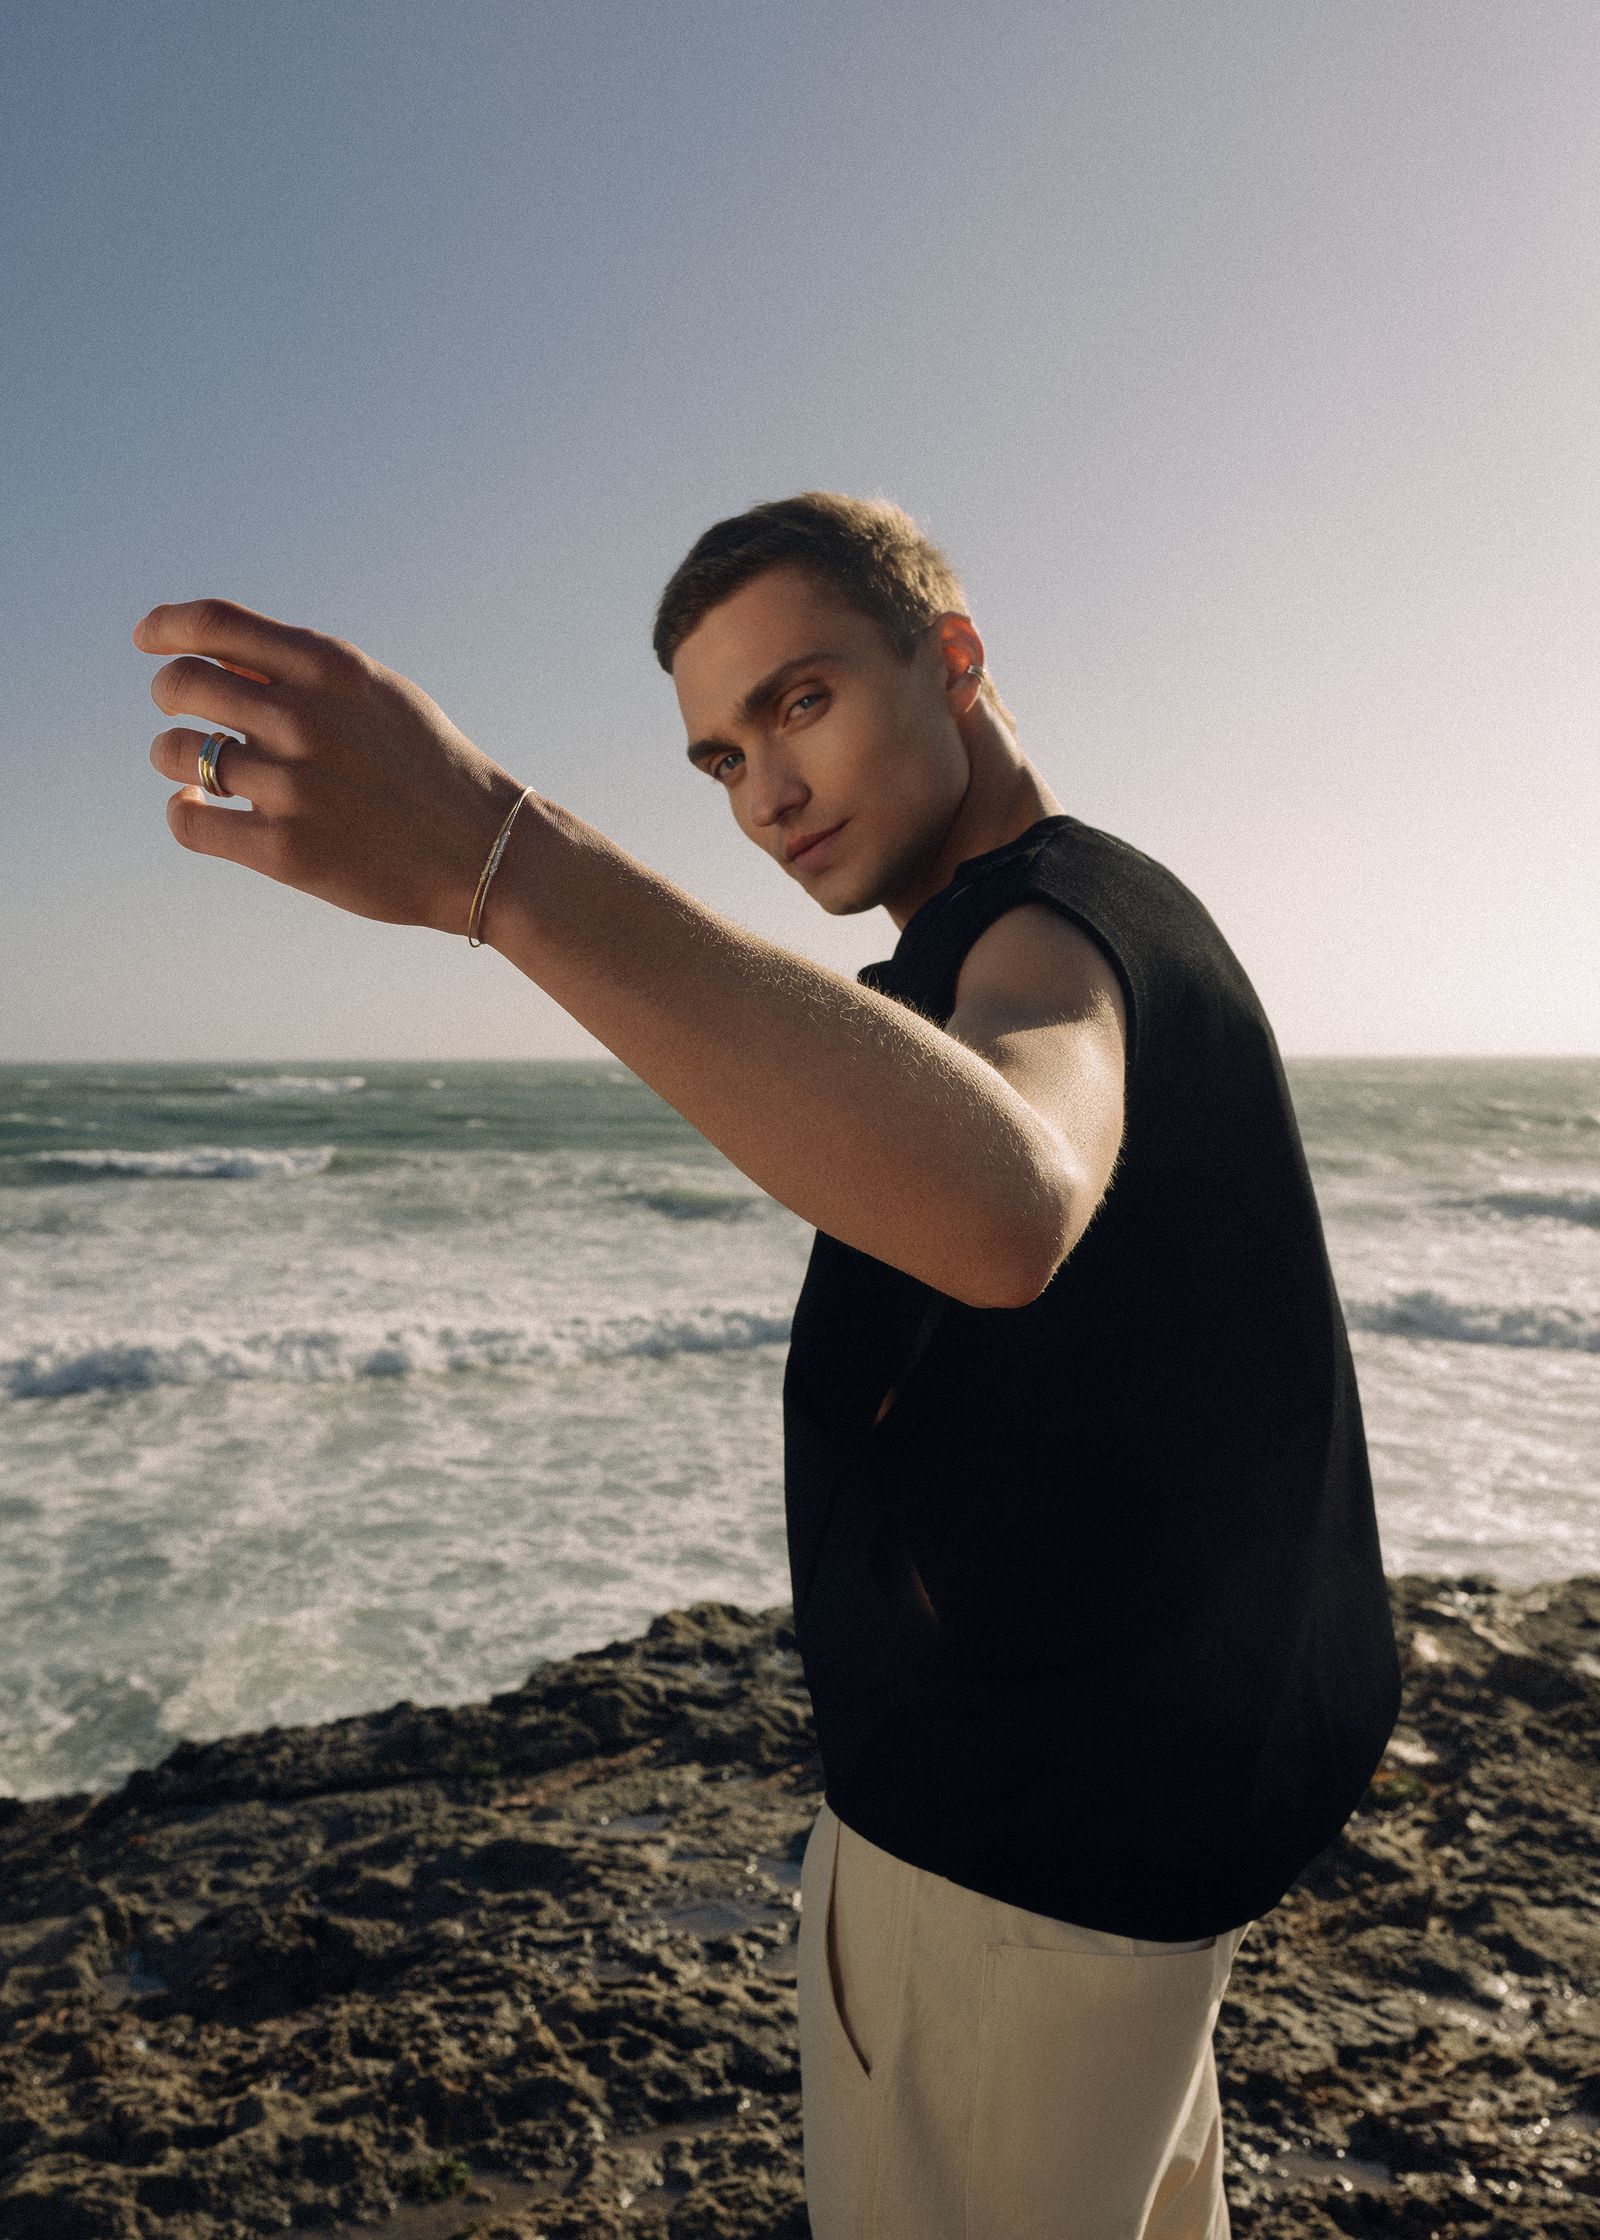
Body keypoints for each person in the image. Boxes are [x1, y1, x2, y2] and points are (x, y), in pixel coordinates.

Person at [137, 491, 1402, 2239]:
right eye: (719, 760)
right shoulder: (1099, 914)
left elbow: (1006, 1198)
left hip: (1012, 1884)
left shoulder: (1042, 940)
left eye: (798, 704)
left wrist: (500, 867)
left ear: (951, 660)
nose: (765, 797)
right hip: (1148, 1866)